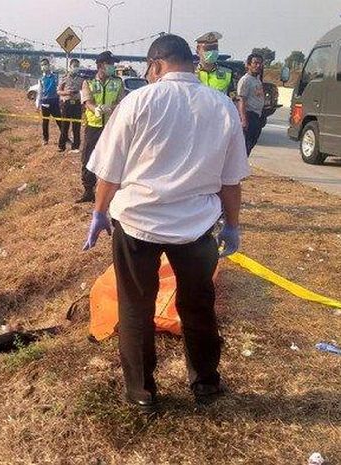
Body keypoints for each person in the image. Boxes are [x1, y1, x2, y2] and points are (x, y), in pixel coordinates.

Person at [82, 34, 249, 413]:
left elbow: (109, 171)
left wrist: (98, 212)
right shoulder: (222, 105)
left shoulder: (138, 101)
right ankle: (206, 383)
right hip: (197, 228)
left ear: (155, 65)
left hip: (137, 223)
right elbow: (231, 181)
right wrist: (233, 226)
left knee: (136, 307)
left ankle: (142, 393)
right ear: (191, 62)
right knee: (199, 305)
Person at [77, 51, 124, 203]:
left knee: (112, 159)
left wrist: (111, 108)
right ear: (100, 66)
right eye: (109, 64)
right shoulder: (89, 82)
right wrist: (95, 109)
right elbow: (87, 100)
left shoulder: (117, 82)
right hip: (93, 126)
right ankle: (88, 190)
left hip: (111, 126)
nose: (112, 67)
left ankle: (108, 192)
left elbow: (121, 101)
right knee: (88, 158)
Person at [238, 53, 265, 156]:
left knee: (251, 143)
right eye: (255, 63)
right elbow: (242, 100)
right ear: (249, 65)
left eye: (260, 63)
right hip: (250, 115)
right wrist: (244, 120)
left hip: (257, 116)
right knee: (245, 145)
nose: (258, 66)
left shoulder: (257, 79)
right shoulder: (246, 80)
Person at [195, 31, 235, 96]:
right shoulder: (191, 72)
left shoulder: (228, 72)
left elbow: (233, 97)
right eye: (208, 49)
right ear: (197, 51)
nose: (212, 51)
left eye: (215, 48)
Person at [57, 58, 84, 153]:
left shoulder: (81, 79)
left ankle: (75, 146)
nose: (76, 68)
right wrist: (66, 92)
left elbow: (84, 92)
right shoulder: (64, 78)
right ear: (70, 67)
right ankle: (61, 146)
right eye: (74, 66)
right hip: (67, 104)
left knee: (76, 127)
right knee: (65, 126)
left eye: (77, 66)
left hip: (77, 104)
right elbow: (58, 91)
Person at [35, 58, 62, 146]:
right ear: (41, 67)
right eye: (42, 65)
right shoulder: (41, 79)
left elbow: (59, 87)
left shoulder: (55, 76)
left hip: (54, 101)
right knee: (45, 122)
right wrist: (37, 105)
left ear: (49, 65)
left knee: (60, 120)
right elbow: (39, 92)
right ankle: (45, 139)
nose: (44, 66)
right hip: (45, 102)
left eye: (45, 64)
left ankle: (65, 137)